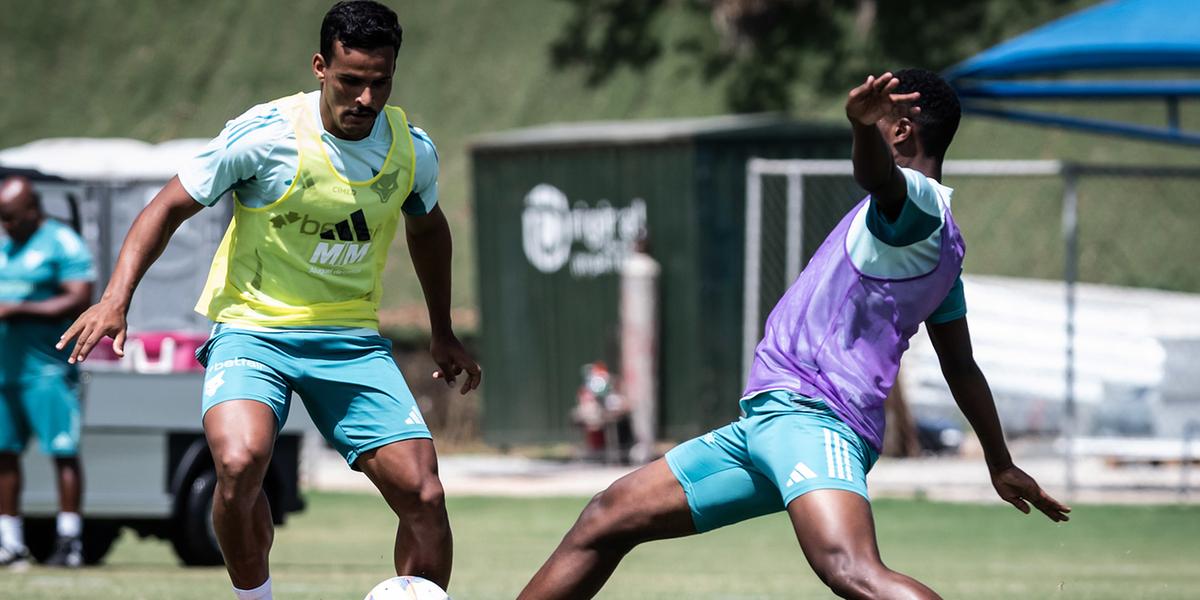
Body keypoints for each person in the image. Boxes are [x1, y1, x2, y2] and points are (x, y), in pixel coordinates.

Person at [517, 69, 1070, 600]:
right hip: (767, 424)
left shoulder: (918, 207)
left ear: (901, 128)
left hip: (815, 417)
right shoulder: (936, 248)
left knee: (851, 570)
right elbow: (961, 366)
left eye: (883, 116)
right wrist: (999, 461)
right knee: (606, 517)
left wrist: (858, 126)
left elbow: (880, 178)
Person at [57, 2, 480, 598]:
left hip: (351, 342)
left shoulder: (413, 151)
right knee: (237, 463)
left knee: (424, 494)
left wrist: (442, 330)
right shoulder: (265, 136)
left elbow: (429, 229)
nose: (363, 99)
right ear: (319, 67)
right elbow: (168, 207)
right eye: (349, 81)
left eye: (378, 83)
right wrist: (115, 298)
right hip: (254, 331)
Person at [0, 176, 95, 569]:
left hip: (48, 368)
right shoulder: (5, 242)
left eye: (11, 217)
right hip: (5, 367)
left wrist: (17, 310)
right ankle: (9, 543)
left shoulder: (62, 243)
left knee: (62, 451)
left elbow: (80, 298)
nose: (6, 225)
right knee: (3, 454)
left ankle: (69, 540)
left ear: (32, 210)